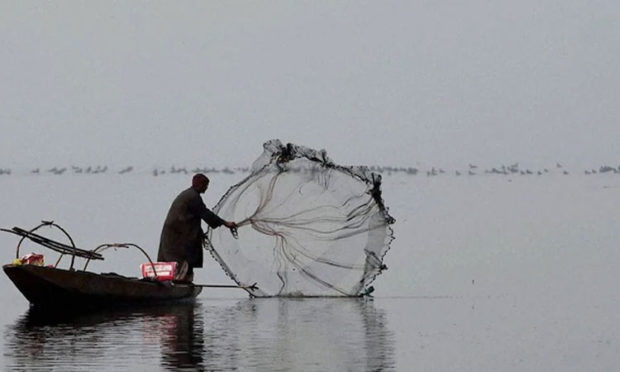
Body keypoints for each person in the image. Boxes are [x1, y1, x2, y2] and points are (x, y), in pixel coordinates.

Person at [158, 173, 237, 282]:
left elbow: (192, 218)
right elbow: (205, 213)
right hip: (176, 235)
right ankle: (177, 283)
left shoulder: (189, 194)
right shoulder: (193, 197)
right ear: (200, 185)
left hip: (177, 233)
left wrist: (200, 233)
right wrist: (225, 223)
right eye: (205, 185)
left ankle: (179, 281)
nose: (206, 188)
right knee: (179, 258)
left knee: (177, 259)